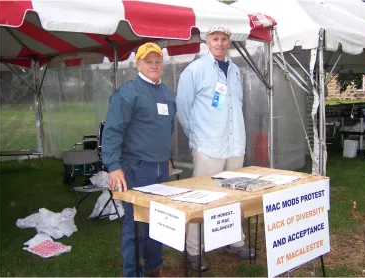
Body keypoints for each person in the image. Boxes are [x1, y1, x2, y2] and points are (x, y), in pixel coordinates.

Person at [176, 25, 255, 272]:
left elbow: (236, 105)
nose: (219, 43)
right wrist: (196, 137)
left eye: (224, 39)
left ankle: (232, 240)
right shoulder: (195, 70)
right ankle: (193, 250)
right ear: (207, 42)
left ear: (229, 42)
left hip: (234, 145)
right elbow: (183, 107)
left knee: (233, 196)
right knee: (201, 199)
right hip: (208, 145)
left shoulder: (234, 71)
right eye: (214, 39)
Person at [101, 42, 176, 277]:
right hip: (135, 167)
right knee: (136, 225)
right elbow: (112, 131)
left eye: (157, 61)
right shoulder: (128, 93)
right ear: (138, 64)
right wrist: (113, 167)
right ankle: (133, 273)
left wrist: (168, 158)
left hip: (160, 167)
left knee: (159, 220)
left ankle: (153, 266)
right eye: (148, 61)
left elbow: (167, 128)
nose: (154, 65)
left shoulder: (165, 92)